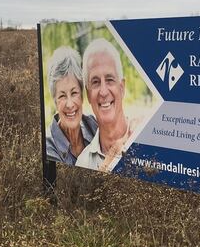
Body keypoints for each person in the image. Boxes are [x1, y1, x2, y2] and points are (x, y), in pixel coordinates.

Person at [76, 38, 135, 172]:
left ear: (122, 88)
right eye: (95, 82)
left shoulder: (142, 138)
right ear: (88, 94)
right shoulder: (83, 163)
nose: (103, 91)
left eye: (109, 80)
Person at [45, 46, 98, 165]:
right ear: (55, 101)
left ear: (82, 96)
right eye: (62, 96)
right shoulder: (48, 147)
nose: (69, 104)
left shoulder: (94, 125)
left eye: (74, 93)